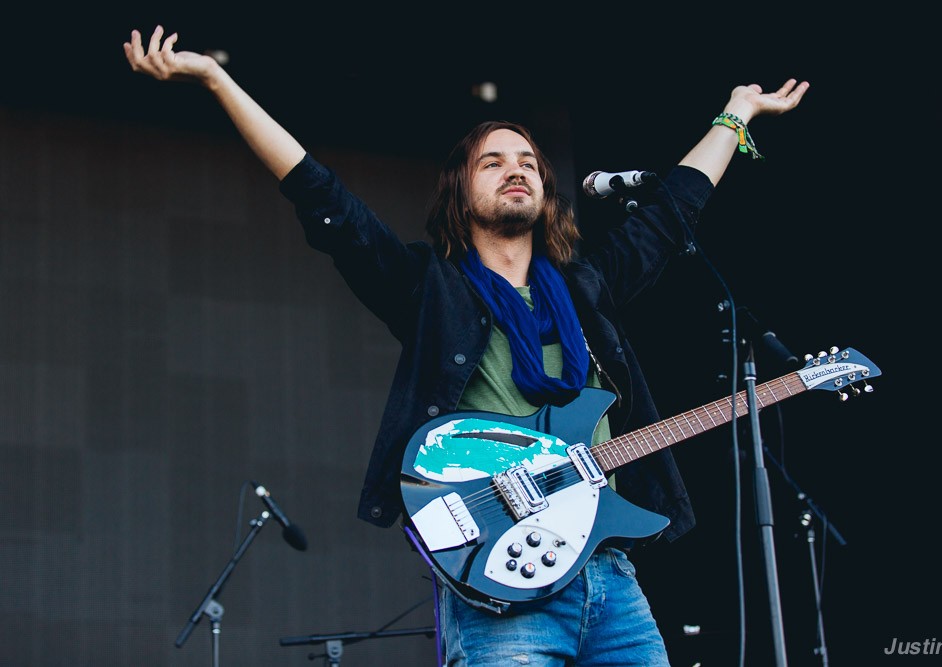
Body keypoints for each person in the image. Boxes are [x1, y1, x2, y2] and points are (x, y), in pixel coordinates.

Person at [124, 24, 808, 666]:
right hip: (499, 585)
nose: (516, 170)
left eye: (528, 163)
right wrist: (217, 80)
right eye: (493, 162)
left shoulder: (585, 290)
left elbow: (671, 212)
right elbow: (319, 195)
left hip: (611, 576)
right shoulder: (431, 290)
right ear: (461, 190)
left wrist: (737, 113)